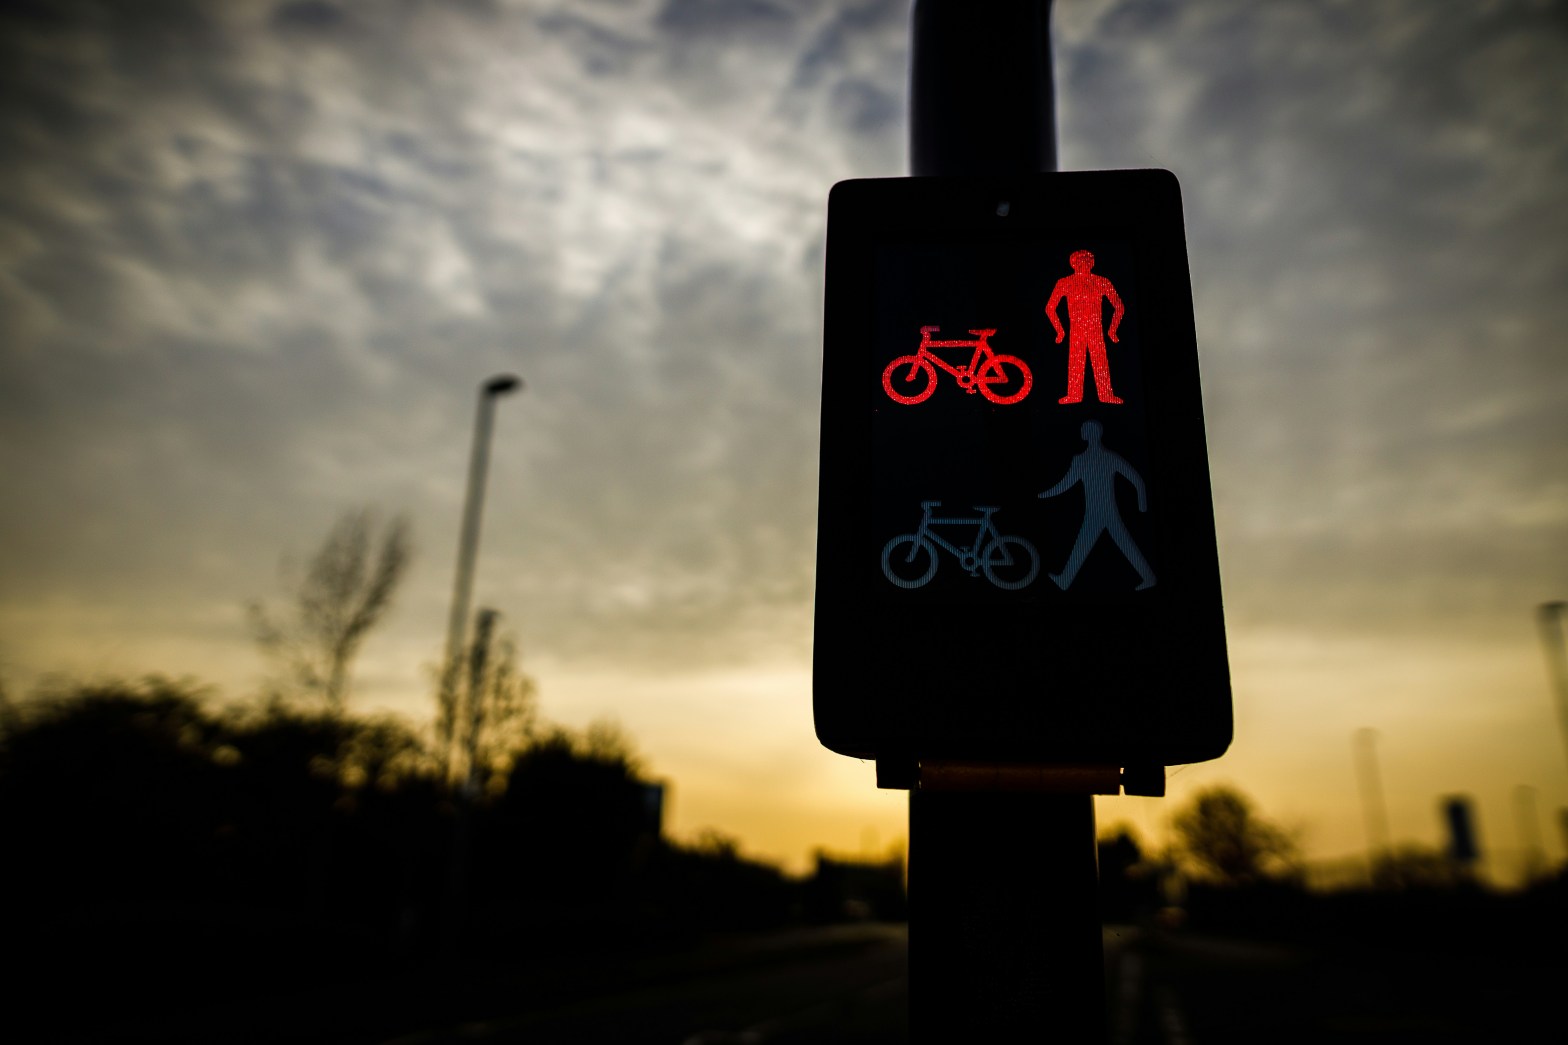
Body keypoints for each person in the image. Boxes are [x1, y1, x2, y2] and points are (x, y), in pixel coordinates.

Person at [1038, 420, 1155, 590]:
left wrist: (1142, 504)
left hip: (1101, 511)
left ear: (1089, 434)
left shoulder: (1097, 458)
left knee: (1095, 545)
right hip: (1098, 512)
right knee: (1104, 544)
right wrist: (1141, 503)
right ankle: (1065, 579)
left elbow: (1136, 479)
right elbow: (1136, 481)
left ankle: (1065, 579)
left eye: (1084, 430)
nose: (1082, 433)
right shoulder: (1092, 459)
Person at [1045, 249, 1125, 404]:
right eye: (1080, 261)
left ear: (1092, 263)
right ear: (1073, 264)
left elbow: (1119, 306)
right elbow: (1050, 308)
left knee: (1100, 361)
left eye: (1088, 261)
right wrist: (1060, 331)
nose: (1084, 264)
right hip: (1076, 328)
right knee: (1076, 362)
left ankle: (1106, 395)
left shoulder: (1102, 281)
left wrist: (1112, 330)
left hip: (1096, 327)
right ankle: (1074, 395)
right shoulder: (1065, 282)